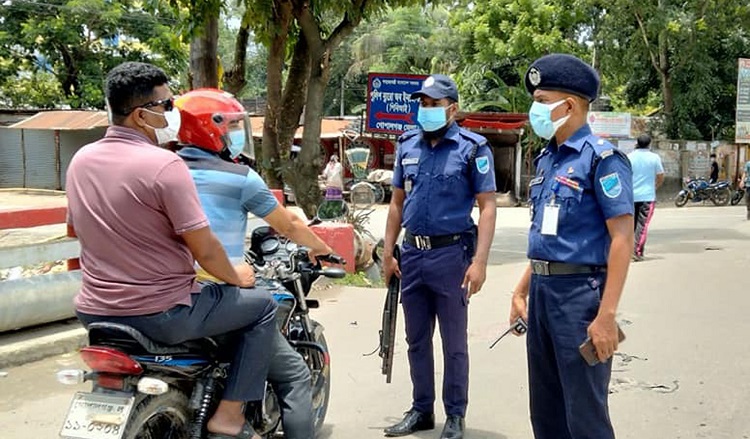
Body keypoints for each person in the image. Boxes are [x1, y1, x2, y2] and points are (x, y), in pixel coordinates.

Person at [66, 62, 276, 439]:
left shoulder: (81, 160)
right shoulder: (165, 164)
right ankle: (229, 415)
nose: (172, 115)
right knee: (262, 306)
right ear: (141, 114)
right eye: (166, 106)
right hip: (161, 312)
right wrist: (237, 275)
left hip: (93, 310)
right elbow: (205, 249)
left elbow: (74, 228)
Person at [174, 88, 335, 439]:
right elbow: (289, 225)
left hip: (165, 295)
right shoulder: (239, 177)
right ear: (209, 127)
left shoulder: (164, 171)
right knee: (295, 376)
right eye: (231, 125)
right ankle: (230, 417)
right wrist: (321, 247)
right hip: (215, 296)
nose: (236, 134)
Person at [508, 54, 634, 439]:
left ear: (571, 105)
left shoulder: (603, 160)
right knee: (546, 414)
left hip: (580, 297)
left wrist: (607, 315)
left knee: (585, 416)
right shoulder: (547, 160)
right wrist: (521, 289)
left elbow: (622, 239)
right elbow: (549, 236)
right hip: (544, 295)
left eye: (542, 101)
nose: (536, 110)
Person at [382, 74, 497, 439]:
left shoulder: (473, 148)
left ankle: (456, 414)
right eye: (423, 104)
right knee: (416, 340)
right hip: (413, 254)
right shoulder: (407, 145)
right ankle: (421, 409)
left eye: (434, 104)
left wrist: (479, 261)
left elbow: (488, 206)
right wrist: (387, 251)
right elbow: (397, 203)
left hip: (452, 255)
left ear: (452, 108)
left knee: (453, 342)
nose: (426, 110)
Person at [627, 134, 664, 261]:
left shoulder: (629, 157)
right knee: (642, 226)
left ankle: (629, 251)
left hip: (630, 196)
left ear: (636, 143)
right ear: (650, 144)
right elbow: (660, 176)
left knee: (630, 225)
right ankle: (636, 252)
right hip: (647, 196)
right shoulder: (654, 158)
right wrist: (655, 187)